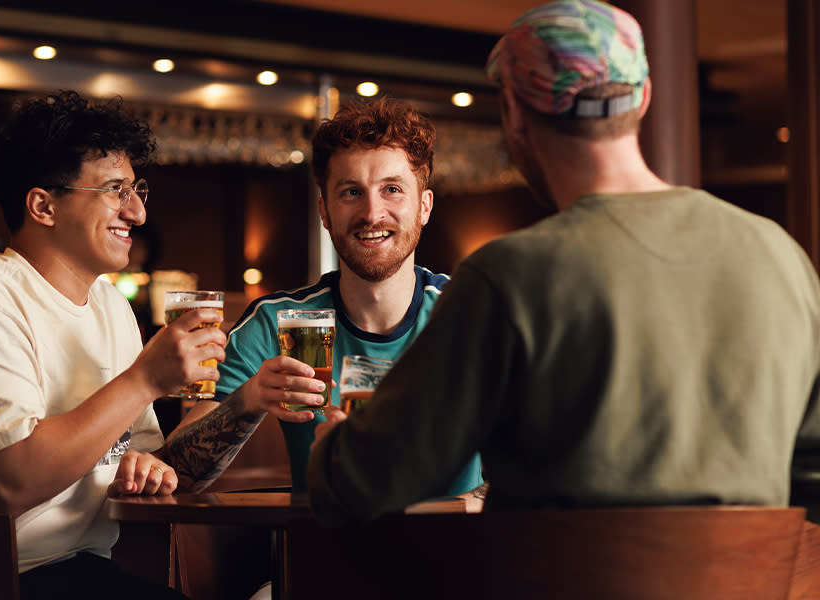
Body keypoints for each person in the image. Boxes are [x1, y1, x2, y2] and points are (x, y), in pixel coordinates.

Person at [308, 0, 820, 527]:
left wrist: (331, 454)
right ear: (643, 98)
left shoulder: (508, 276)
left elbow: (367, 482)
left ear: (513, 111)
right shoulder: (780, 255)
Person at [0, 91, 235, 599]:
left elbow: (136, 453)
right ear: (43, 205)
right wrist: (144, 380)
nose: (136, 212)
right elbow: (11, 485)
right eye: (115, 190)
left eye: (137, 189)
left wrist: (151, 463)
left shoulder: (110, 307)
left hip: (69, 568)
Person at [171, 97, 484, 506]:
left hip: (460, 556)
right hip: (324, 558)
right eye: (351, 192)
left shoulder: (476, 314)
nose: (373, 213)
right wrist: (248, 400)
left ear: (423, 206)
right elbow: (177, 474)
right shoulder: (277, 320)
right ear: (324, 210)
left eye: (392, 190)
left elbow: (544, 460)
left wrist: (460, 508)